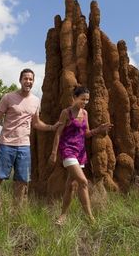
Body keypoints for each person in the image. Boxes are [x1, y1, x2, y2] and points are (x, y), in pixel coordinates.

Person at [0, 68, 60, 208]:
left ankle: (17, 210)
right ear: (20, 80)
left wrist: (51, 127)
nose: (28, 81)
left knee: (22, 180)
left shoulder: (36, 101)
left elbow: (36, 123)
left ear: (33, 81)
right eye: (25, 78)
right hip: (6, 144)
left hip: (24, 146)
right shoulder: (8, 97)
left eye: (31, 79)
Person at [49, 86, 113, 224]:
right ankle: (90, 218)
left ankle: (62, 216)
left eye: (87, 100)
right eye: (82, 99)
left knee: (71, 185)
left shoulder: (85, 113)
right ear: (74, 97)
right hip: (68, 151)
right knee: (83, 182)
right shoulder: (66, 113)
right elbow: (58, 133)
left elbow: (87, 133)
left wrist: (99, 129)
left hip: (80, 152)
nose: (85, 102)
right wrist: (54, 153)